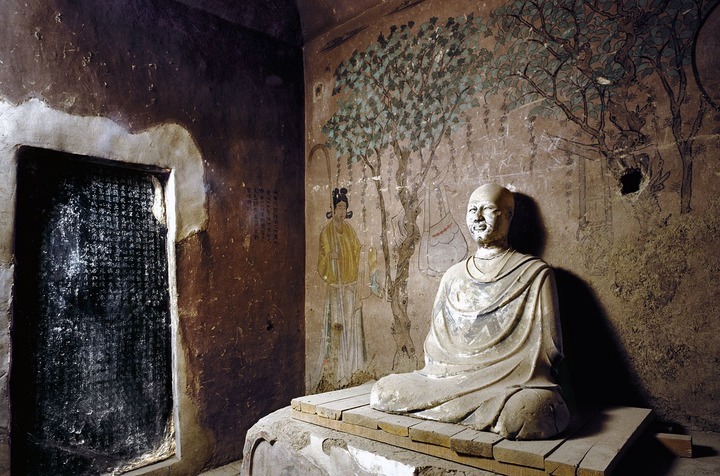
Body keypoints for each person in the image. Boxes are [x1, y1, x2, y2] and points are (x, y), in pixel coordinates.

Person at [370, 184, 570, 440]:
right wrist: (449, 375)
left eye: (487, 209)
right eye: (472, 210)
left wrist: (500, 371)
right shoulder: (453, 275)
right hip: (445, 381)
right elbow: (436, 348)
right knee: (384, 391)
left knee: (526, 413)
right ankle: (465, 409)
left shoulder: (535, 274)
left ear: (508, 215)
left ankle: (466, 408)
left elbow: (549, 350)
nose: (477, 217)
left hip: (506, 385)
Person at [314, 188, 366, 390]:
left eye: (344, 207)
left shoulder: (349, 231)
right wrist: (330, 257)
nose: (342, 211)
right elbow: (321, 262)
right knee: (336, 328)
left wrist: (353, 257)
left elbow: (357, 250)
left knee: (350, 329)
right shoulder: (327, 232)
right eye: (339, 207)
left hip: (349, 287)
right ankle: (336, 374)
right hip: (336, 288)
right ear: (333, 209)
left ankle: (351, 369)